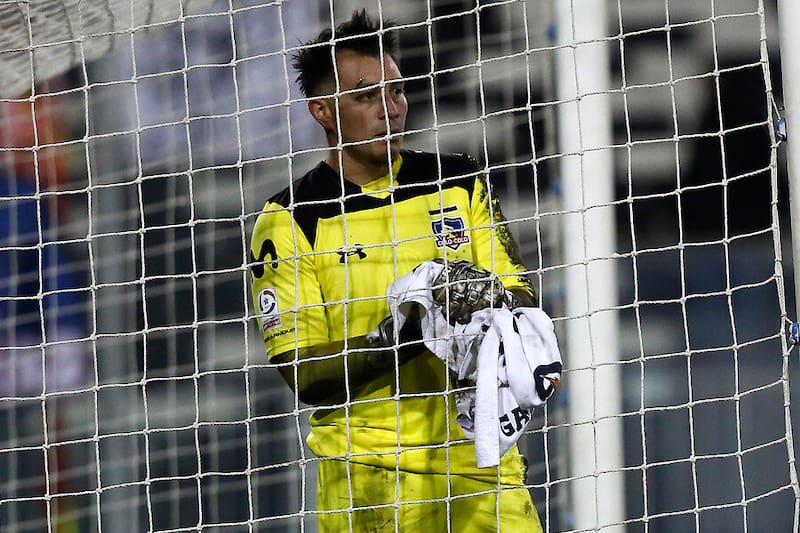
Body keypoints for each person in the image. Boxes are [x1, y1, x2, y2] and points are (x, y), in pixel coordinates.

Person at [249, 10, 544, 532]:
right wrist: (406, 332)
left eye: (397, 91)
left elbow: (521, 291)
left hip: (480, 464)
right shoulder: (291, 219)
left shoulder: (459, 182)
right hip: (370, 476)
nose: (390, 110)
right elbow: (303, 373)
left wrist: (487, 304)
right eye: (367, 96)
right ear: (322, 111)